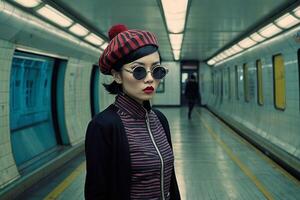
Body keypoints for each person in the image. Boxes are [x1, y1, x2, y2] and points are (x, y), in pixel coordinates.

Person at [84, 24, 181, 200]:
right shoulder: (103, 126)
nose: (150, 78)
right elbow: (96, 192)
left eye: (156, 70)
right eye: (139, 71)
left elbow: (171, 181)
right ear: (117, 76)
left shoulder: (159, 119)